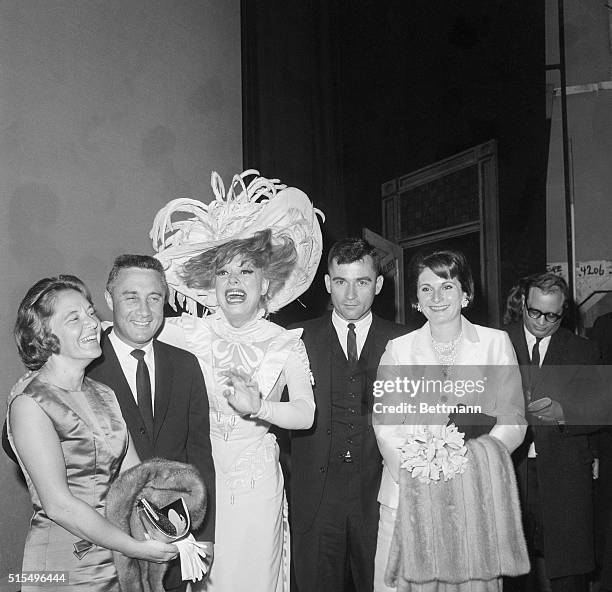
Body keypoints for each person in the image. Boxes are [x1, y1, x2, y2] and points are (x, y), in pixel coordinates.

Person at [149, 170, 322, 592]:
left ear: (266, 283)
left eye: (245, 271)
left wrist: (260, 407)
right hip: (199, 481)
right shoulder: (190, 330)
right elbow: (130, 328)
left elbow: (306, 413)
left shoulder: (286, 343)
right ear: (212, 283)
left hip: (256, 484)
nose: (234, 282)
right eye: (224, 273)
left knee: (253, 577)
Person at [6, 275, 177, 592]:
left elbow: (136, 477)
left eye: (90, 312)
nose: (94, 323)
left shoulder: (104, 394)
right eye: (75, 318)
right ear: (44, 334)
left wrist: (172, 524)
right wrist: (135, 548)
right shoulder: (30, 404)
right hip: (64, 565)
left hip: (117, 556)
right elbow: (59, 506)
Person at [374, 249, 527, 592]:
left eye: (447, 286)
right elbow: (385, 425)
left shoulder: (495, 344)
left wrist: (470, 464)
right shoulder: (398, 350)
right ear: (415, 300)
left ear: (466, 294)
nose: (437, 297)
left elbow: (514, 417)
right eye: (426, 289)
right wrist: (421, 470)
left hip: (474, 497)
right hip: (408, 495)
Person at [87, 254, 216, 592]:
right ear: (108, 298)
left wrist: (204, 536)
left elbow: (199, 453)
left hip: (171, 541)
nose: (144, 309)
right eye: (131, 296)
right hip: (101, 544)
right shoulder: (82, 363)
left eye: (154, 297)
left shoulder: (186, 366)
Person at [289, 237, 409, 592]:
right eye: (341, 282)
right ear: (328, 284)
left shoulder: (405, 341)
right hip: (315, 498)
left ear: (379, 284)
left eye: (362, 282)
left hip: (379, 496)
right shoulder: (297, 338)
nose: (351, 294)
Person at [505, 272, 603, 592]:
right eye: (534, 312)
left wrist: (564, 414)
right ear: (523, 303)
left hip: (563, 473)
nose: (542, 322)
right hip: (511, 470)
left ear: (564, 313)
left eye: (552, 316)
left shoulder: (584, 351)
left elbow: (600, 409)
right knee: (511, 567)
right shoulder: (496, 342)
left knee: (566, 572)